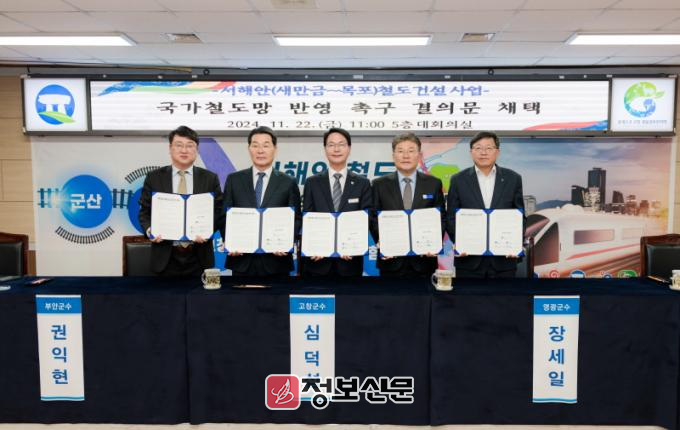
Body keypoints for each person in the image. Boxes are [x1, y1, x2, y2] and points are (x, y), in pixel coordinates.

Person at [138, 125, 224, 276]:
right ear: (170, 148)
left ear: (197, 150)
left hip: (199, 255)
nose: (184, 150)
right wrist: (150, 230)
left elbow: (218, 212)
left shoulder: (210, 178)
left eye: (190, 145)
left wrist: (207, 231)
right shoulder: (154, 177)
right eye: (179, 145)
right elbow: (144, 212)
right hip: (165, 255)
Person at [222, 126, 301, 276]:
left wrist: (285, 242)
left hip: (277, 262)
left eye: (266, 145)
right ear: (249, 149)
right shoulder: (234, 180)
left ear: (275, 149)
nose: (260, 150)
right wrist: (231, 242)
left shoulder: (288, 182)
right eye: (255, 145)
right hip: (242, 260)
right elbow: (224, 216)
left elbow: (296, 218)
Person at [446, 131, 525, 278]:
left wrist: (515, 243)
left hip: (504, 260)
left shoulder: (513, 179)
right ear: (471, 152)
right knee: (468, 294)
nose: (483, 152)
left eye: (489, 148)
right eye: (478, 148)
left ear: (497, 152)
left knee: (505, 294)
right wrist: (460, 242)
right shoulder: (458, 180)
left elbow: (519, 216)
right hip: (469, 259)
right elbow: (451, 217)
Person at [371, 132, 445, 277]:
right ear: (393, 156)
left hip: (424, 260)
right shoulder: (379, 184)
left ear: (419, 155)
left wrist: (434, 243)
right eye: (400, 151)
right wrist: (385, 243)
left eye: (411, 151)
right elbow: (373, 218)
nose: (406, 156)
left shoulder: (434, 183)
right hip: (391, 260)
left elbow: (441, 217)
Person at [301, 127, 372, 277]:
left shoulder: (362, 183)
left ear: (349, 148)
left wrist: (353, 246)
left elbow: (366, 219)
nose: (336, 149)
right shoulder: (312, 183)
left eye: (341, 144)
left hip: (349, 262)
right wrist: (314, 246)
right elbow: (307, 219)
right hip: (318, 262)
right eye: (331, 145)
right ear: (325, 149)